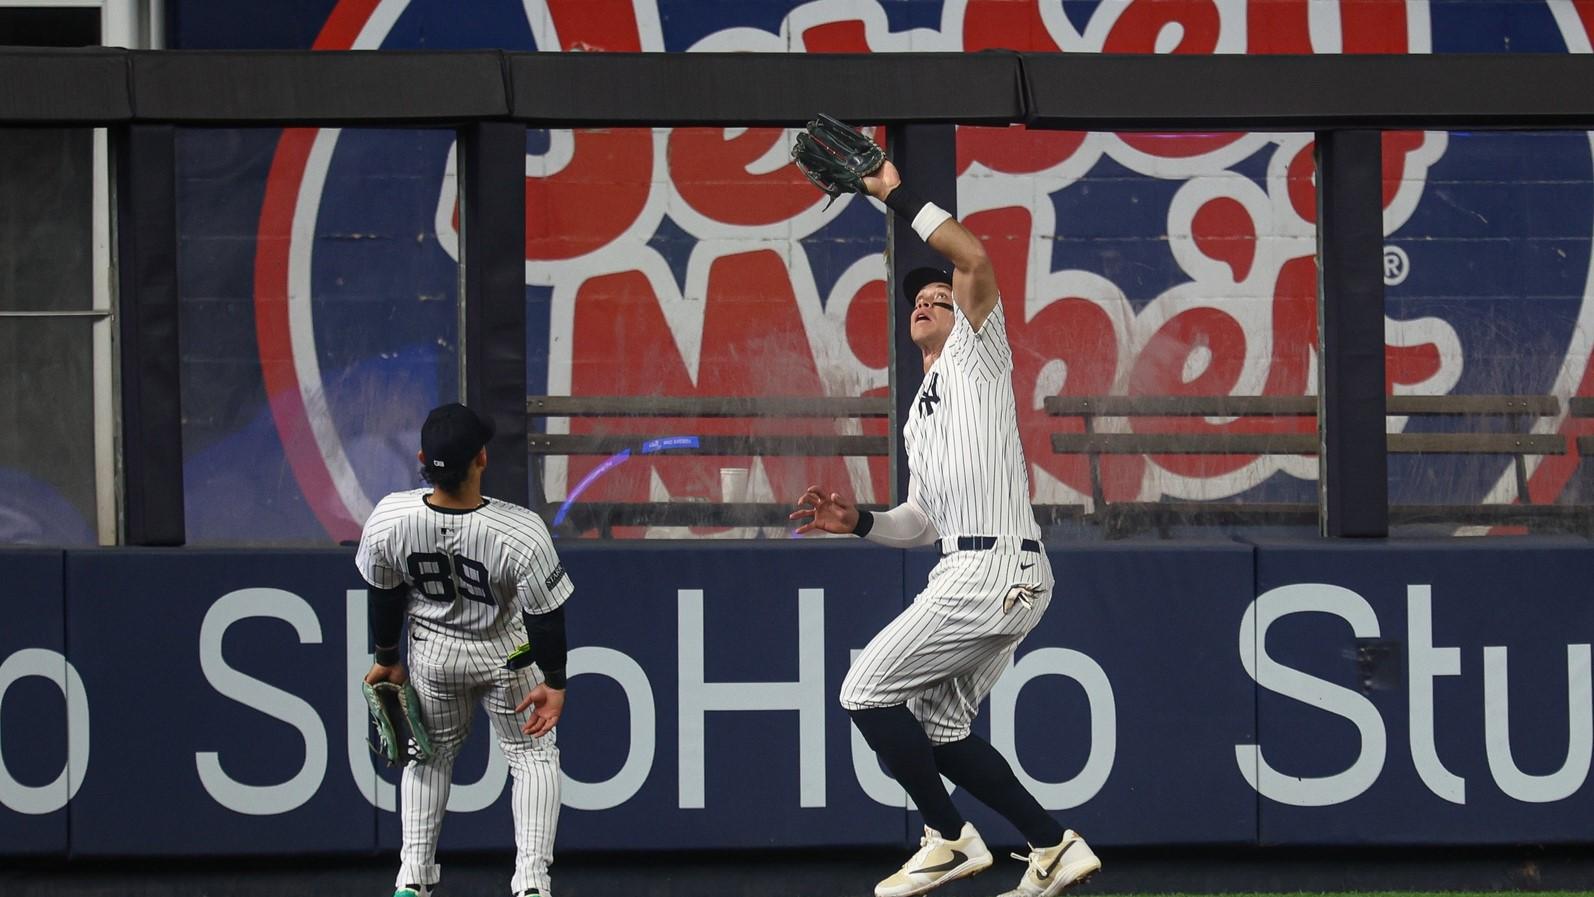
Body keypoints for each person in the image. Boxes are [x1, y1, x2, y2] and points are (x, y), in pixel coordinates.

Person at [790, 160, 1100, 897]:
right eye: (919, 299)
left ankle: (949, 836)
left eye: (941, 296)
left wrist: (889, 191)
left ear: (966, 312)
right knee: (941, 729)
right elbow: (920, 520)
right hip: (998, 570)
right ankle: (1054, 844)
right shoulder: (918, 410)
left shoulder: (978, 352)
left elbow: (974, 258)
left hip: (989, 571)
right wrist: (859, 519)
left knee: (864, 691)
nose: (929, 302)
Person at [356, 402, 572, 897]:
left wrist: (386, 656)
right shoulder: (520, 530)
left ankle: (412, 879)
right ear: (482, 459)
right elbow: (545, 616)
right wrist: (555, 683)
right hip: (507, 654)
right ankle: (532, 885)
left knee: (428, 759)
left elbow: (384, 591)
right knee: (533, 755)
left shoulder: (391, 515)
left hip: (435, 656)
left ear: (421, 459)